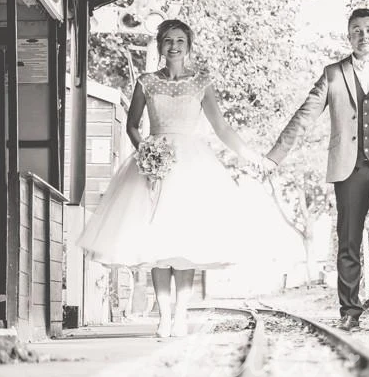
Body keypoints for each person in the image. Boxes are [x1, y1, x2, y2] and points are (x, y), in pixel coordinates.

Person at [79, 18, 264, 338]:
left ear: (188, 46)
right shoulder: (146, 82)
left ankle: (180, 314)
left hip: (191, 164)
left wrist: (250, 155)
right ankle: (163, 317)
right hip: (154, 162)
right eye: (168, 40)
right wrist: (146, 152)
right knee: (157, 245)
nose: (174, 46)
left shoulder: (201, 83)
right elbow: (132, 125)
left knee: (186, 240)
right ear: (160, 46)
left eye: (180, 40)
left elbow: (221, 128)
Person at [264, 7, 369, 332]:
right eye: (356, 30)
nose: (363, 35)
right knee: (348, 242)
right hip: (349, 169)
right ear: (348, 35)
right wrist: (275, 156)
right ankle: (350, 312)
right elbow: (305, 114)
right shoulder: (333, 73)